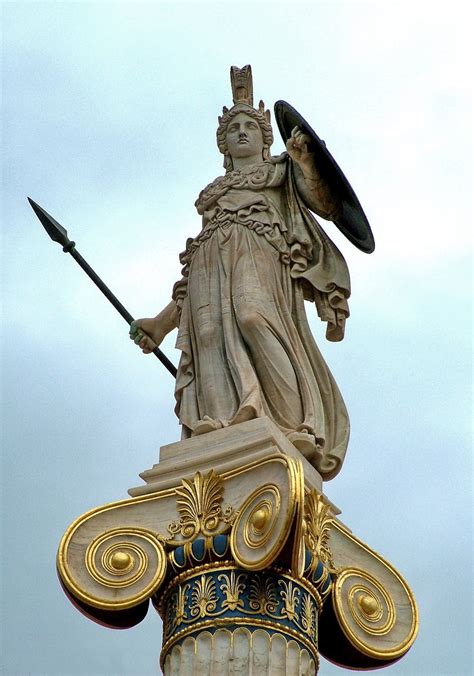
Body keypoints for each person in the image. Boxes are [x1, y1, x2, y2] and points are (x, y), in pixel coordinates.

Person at [130, 66, 351, 481]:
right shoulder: (213, 194)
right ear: (224, 144)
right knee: (208, 333)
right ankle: (216, 420)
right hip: (210, 259)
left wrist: (305, 162)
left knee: (254, 318)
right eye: (235, 129)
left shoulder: (281, 172)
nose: (243, 132)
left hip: (258, 250)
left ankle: (292, 424)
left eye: (252, 126)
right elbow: (188, 271)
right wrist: (160, 325)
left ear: (267, 140)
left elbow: (326, 205)